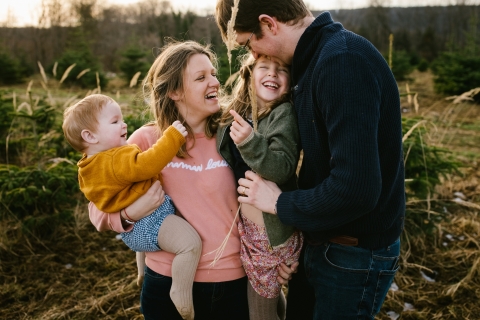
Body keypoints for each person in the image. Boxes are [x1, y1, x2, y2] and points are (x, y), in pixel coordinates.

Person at [215, 1, 406, 319]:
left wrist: (280, 204)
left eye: (249, 42)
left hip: (352, 256)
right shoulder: (314, 62)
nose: (253, 53)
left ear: (269, 23)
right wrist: (300, 243)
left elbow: (356, 187)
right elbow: (322, 170)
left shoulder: (342, 62)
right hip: (325, 243)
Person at [88, 40, 295, 320]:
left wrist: (281, 255)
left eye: (213, 74)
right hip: (167, 283)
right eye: (201, 77)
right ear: (174, 91)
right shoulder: (147, 141)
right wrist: (127, 215)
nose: (214, 83)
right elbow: (97, 208)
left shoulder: (234, 135)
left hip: (234, 284)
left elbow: (274, 192)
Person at [62, 94, 201, 320]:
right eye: (115, 121)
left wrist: (128, 214)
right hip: (153, 222)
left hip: (131, 233)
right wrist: (172, 137)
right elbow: (147, 164)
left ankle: (142, 269)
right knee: (189, 244)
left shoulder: (88, 167)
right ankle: (180, 291)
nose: (124, 124)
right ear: (90, 135)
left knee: (147, 239)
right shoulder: (116, 159)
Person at [217, 54, 303, 320]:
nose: (272, 74)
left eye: (282, 70)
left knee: (260, 313)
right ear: (249, 74)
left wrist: (251, 142)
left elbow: (282, 167)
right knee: (270, 302)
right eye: (264, 67)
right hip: (253, 233)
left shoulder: (283, 113)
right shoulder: (242, 110)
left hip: (270, 236)